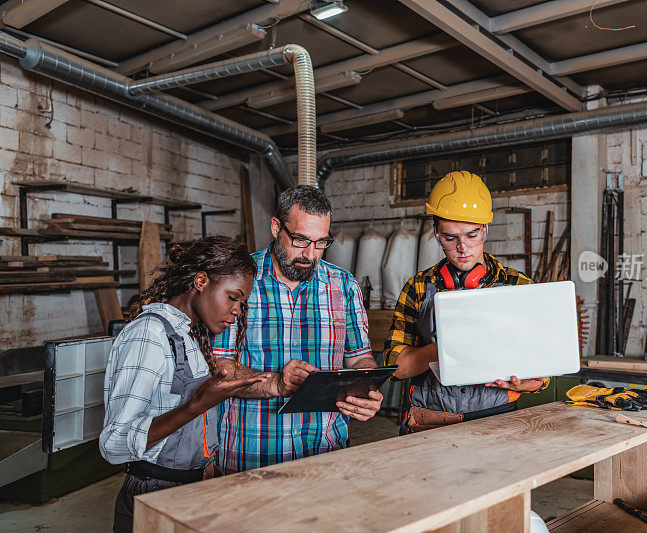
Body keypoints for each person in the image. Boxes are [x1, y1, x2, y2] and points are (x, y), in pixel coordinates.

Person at [212, 185, 383, 473]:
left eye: (320, 243)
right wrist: (275, 383)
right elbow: (218, 367)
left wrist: (365, 390)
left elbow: (359, 358)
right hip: (249, 459)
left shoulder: (344, 286)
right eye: (301, 240)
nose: (309, 254)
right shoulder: (238, 280)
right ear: (277, 227)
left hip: (325, 455)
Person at [100, 236, 264, 533]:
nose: (238, 310)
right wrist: (196, 405)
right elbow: (113, 444)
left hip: (190, 490)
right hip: (152, 496)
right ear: (201, 280)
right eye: (233, 297)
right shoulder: (148, 335)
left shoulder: (190, 335)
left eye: (242, 302)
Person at [383, 171, 551, 434]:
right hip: (429, 423)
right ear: (436, 234)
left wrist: (525, 384)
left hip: (498, 424)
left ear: (485, 229)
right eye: (450, 238)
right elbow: (395, 367)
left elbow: (542, 375)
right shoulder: (417, 287)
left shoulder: (519, 286)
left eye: (471, 235)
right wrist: (447, 347)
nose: (462, 247)